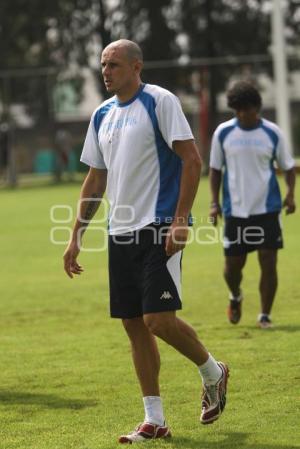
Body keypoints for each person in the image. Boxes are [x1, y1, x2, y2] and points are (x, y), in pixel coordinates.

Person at [63, 39, 229, 443]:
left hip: (159, 228)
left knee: (158, 320)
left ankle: (213, 371)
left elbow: (192, 160)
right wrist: (75, 237)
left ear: (136, 66)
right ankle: (154, 419)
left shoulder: (159, 101)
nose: (106, 71)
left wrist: (180, 220)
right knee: (134, 325)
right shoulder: (101, 114)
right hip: (119, 234)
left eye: (114, 64)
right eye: (103, 64)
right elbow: (95, 180)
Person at [209, 81, 296, 329]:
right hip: (235, 211)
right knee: (232, 267)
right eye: (237, 109)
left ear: (257, 107)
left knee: (268, 260)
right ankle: (235, 295)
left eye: (246, 109)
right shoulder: (223, 133)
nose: (242, 114)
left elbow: (289, 168)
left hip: (267, 208)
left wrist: (290, 195)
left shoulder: (272, 133)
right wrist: (214, 204)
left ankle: (265, 315)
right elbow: (215, 170)